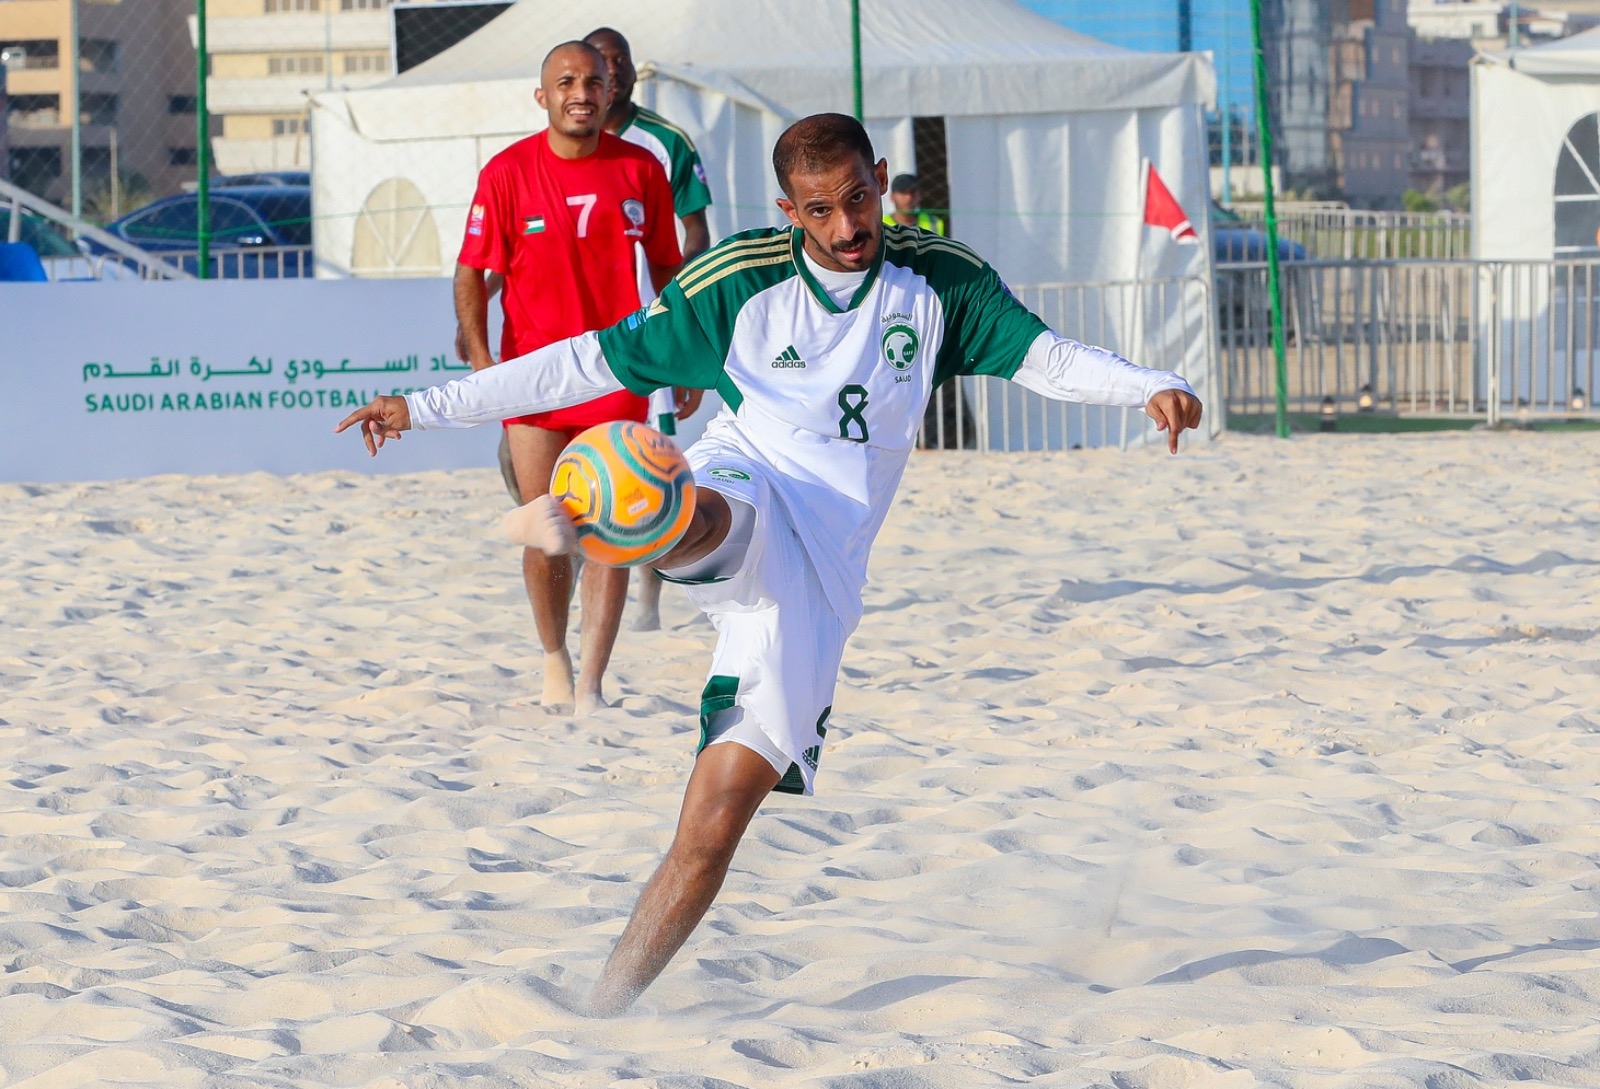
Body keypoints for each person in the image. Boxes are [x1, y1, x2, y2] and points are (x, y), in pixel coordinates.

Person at [338, 113, 1203, 1016]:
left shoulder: (940, 281)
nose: (846, 227)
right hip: (744, 470)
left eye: (859, 200)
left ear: (878, 177)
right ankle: (606, 521)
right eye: (821, 210)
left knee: (711, 831)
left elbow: (1047, 357)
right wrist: (429, 407)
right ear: (789, 209)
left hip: (824, 572)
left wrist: (1147, 385)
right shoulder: (739, 283)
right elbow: (584, 363)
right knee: (706, 505)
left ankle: (601, 1012)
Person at [453, 40, 682, 715]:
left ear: (612, 91)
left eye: (592, 81)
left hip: (618, 373)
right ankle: (554, 659)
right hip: (530, 377)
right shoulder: (505, 172)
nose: (580, 92)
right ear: (542, 96)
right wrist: (478, 357)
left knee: (611, 528)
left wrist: (682, 355)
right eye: (566, 82)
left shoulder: (643, 169)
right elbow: (471, 270)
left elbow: (670, 272)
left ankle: (592, 684)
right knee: (549, 528)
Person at [584, 24, 713, 632]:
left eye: (624, 61)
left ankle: (649, 601)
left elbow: (696, 234)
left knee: (652, 461)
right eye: (604, 63)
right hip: (579, 332)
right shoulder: (557, 148)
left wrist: (686, 322)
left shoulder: (665, 144)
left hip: (650, 327)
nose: (617, 71)